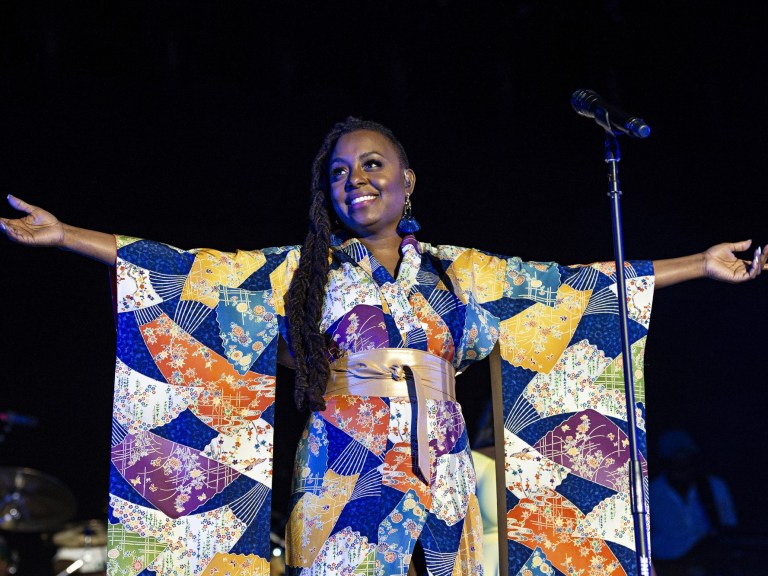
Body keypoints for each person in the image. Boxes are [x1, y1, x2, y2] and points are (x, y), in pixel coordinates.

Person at [1, 117, 765, 576]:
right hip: (346, 464)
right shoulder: (310, 270)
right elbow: (192, 272)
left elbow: (574, 286)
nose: (355, 179)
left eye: (371, 164)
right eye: (339, 172)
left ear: (407, 180)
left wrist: (700, 263)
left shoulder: (458, 271)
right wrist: (67, 235)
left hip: (444, 464)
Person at [650, 430, 738, 576]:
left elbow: (729, 528)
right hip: (663, 567)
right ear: (665, 463)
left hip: (706, 565)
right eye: (676, 462)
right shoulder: (650, 492)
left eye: (686, 462)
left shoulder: (714, 487)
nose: (682, 469)